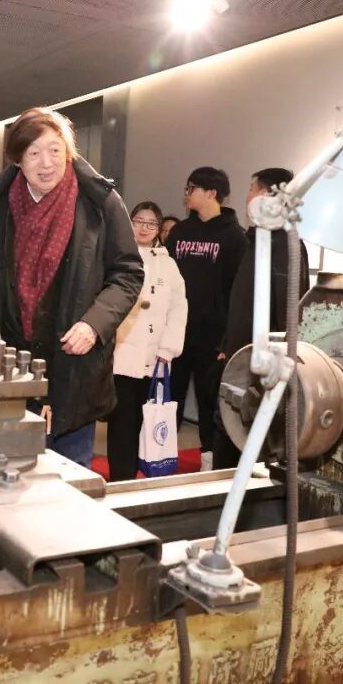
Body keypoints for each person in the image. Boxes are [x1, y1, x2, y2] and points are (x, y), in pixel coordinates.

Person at [0, 107, 143, 468]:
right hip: (10, 372)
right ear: (17, 159)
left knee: (68, 481)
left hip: (73, 369)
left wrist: (94, 324)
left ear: (69, 151)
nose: (46, 163)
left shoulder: (100, 203)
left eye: (54, 150)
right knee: (6, 476)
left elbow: (128, 273)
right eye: (33, 152)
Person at [213, 168, 311, 469]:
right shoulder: (257, 240)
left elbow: (289, 310)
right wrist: (227, 344)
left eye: (251, 190)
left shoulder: (284, 245)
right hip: (240, 356)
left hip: (262, 365)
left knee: (247, 438)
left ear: (269, 195)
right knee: (229, 429)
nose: (247, 199)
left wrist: (278, 359)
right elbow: (244, 301)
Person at [164, 166, 247, 471]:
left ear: (211, 193)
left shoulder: (235, 237)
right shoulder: (180, 233)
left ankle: (209, 458)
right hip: (176, 332)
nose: (186, 194)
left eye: (192, 188)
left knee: (208, 398)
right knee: (169, 396)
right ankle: (162, 452)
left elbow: (238, 292)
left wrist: (228, 340)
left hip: (212, 337)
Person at [106, 201, 187, 481]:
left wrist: (168, 349)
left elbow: (179, 308)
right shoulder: (116, 256)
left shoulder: (168, 264)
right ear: (129, 223)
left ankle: (144, 475)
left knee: (147, 419)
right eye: (138, 221)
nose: (144, 228)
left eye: (151, 223)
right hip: (121, 355)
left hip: (155, 358)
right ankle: (121, 479)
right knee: (121, 421)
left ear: (159, 229)